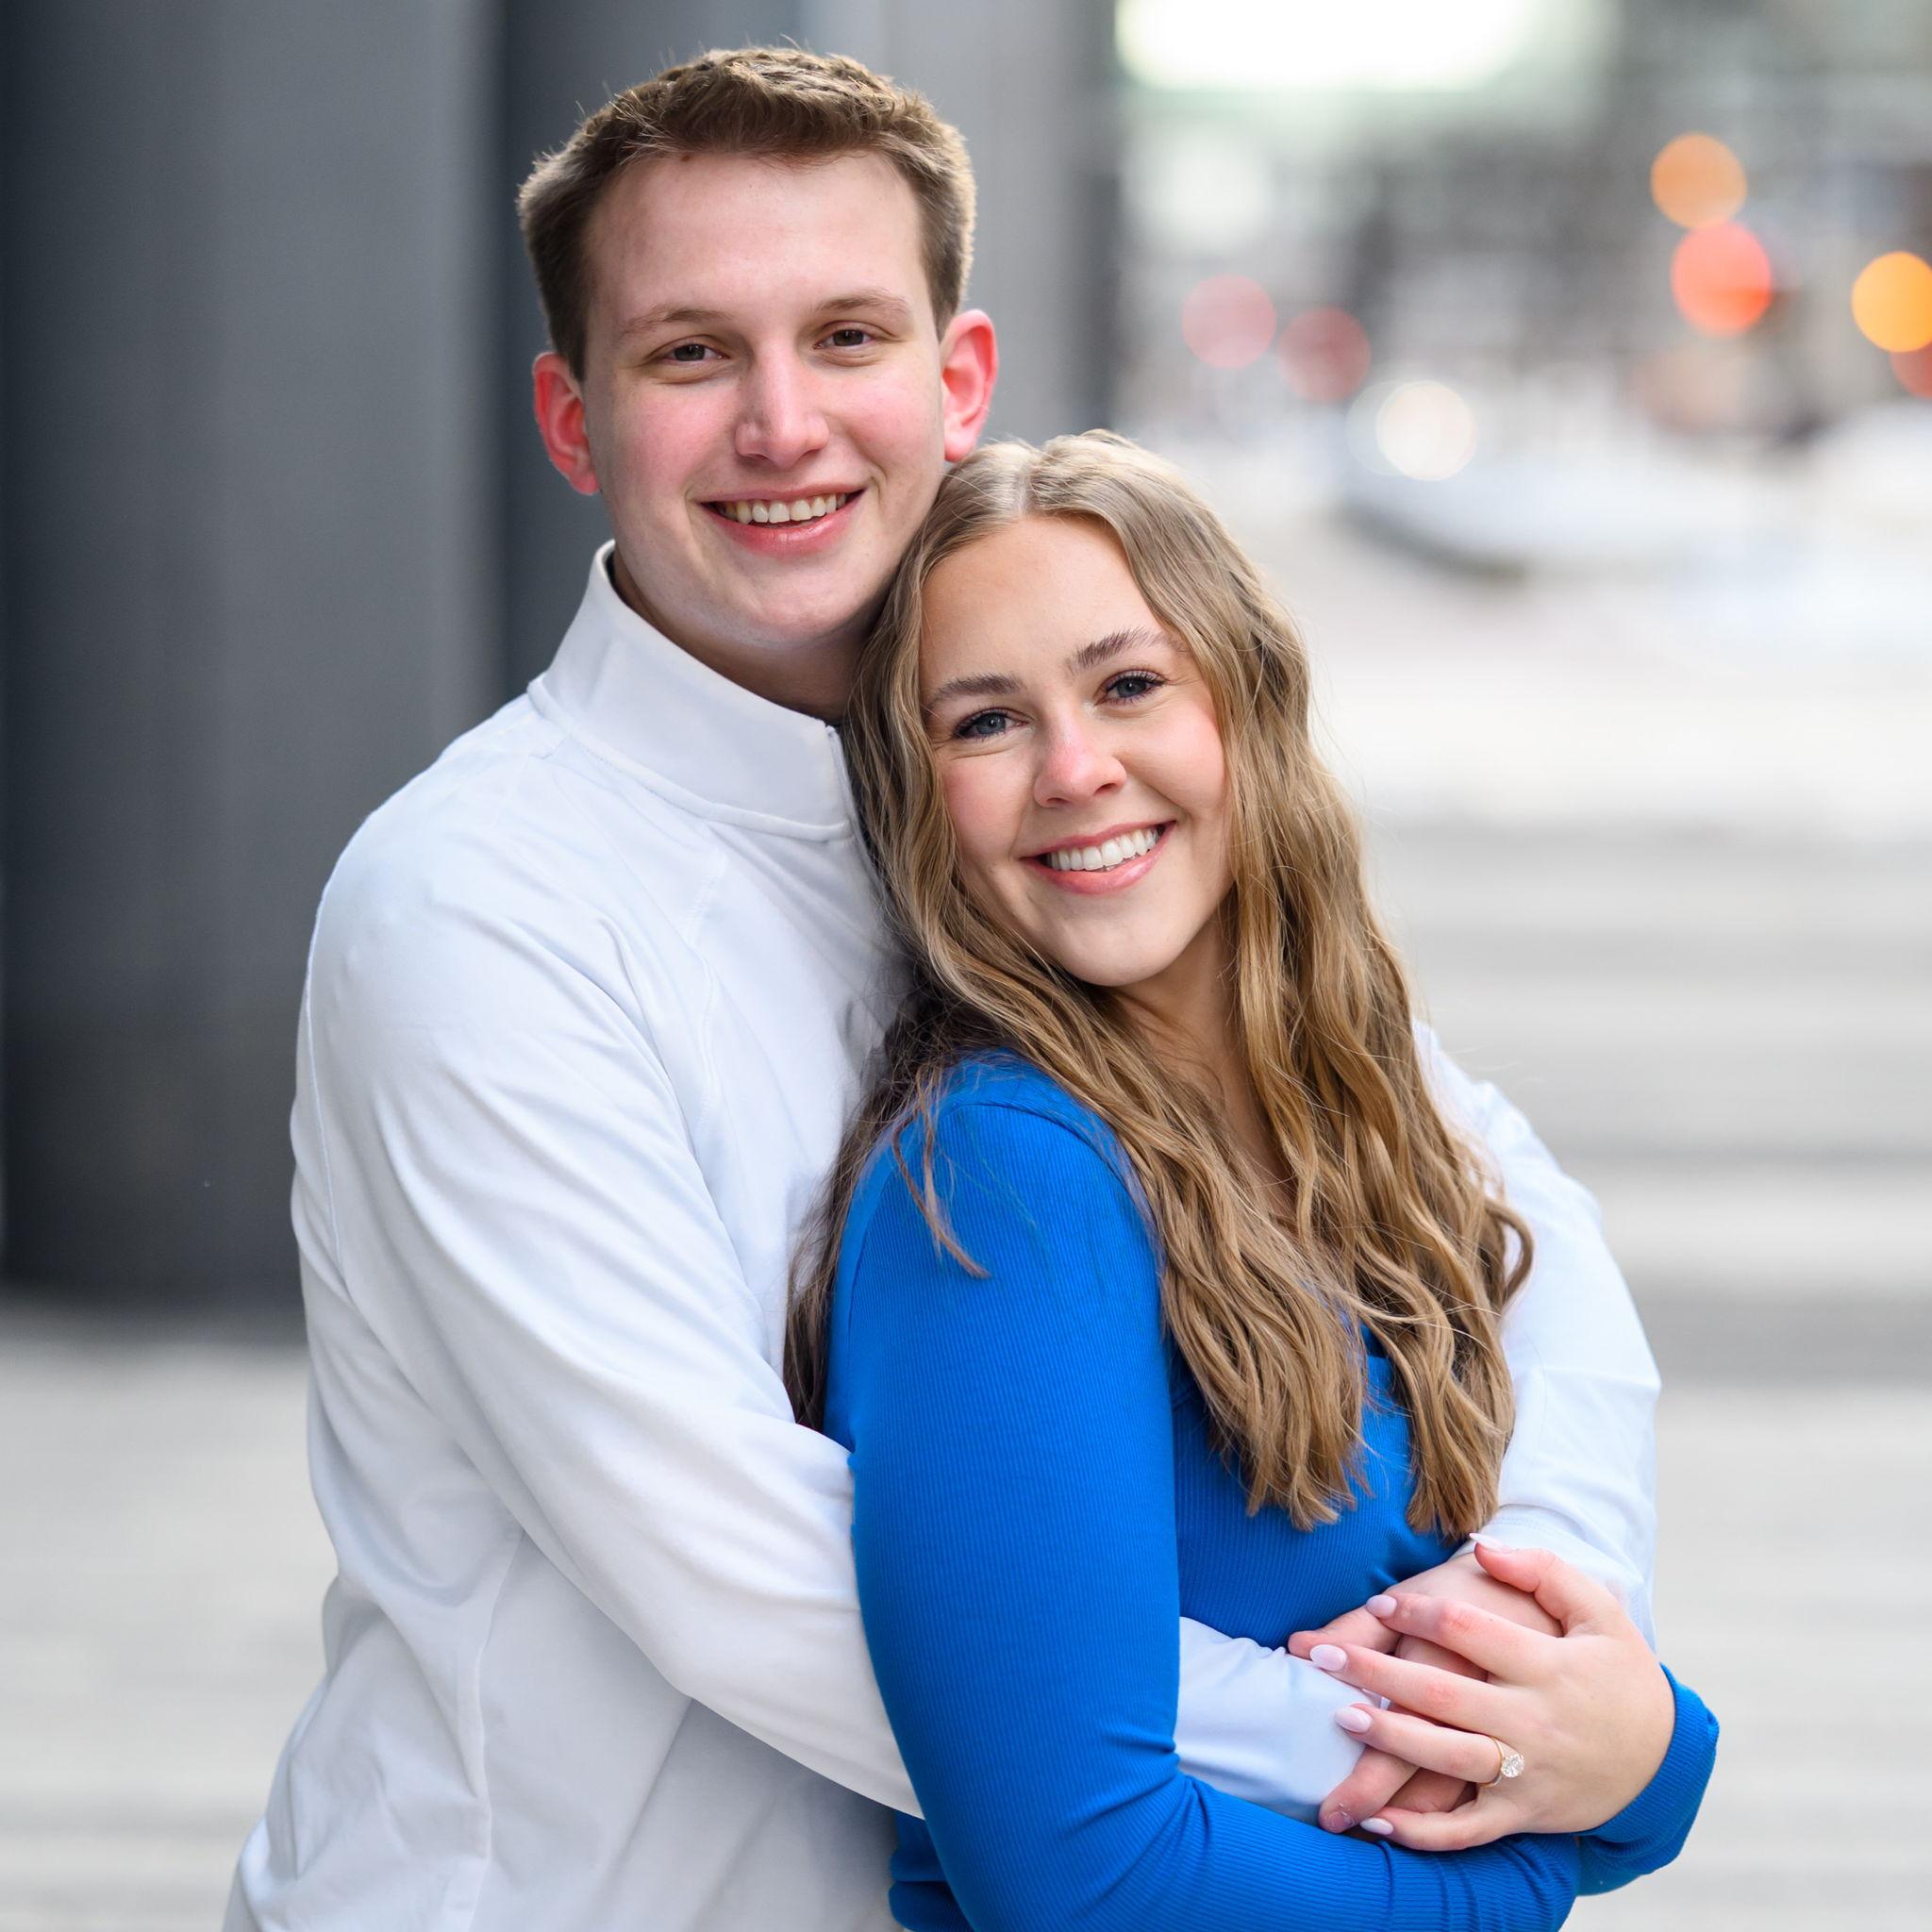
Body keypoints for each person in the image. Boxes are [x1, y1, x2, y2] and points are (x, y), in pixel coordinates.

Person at [226, 47, 1670, 1932]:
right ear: (573, 421)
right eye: (689, 354)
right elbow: (739, 1570)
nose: (782, 423)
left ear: (956, 379)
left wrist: (1558, 1623)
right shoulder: (478, 905)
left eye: (846, 337)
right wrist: (1445, 1749)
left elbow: (1498, 1204)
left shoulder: (1023, 812)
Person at [789, 430, 1718, 1931]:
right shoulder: (1004, 1180)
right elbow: (1078, 1874)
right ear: (916, 793)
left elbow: (1586, 1734)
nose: (1075, 769)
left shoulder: (1364, 1120)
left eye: (1128, 685)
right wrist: (1536, 1869)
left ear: (1248, 699)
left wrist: (1653, 1757)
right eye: (986, 721)